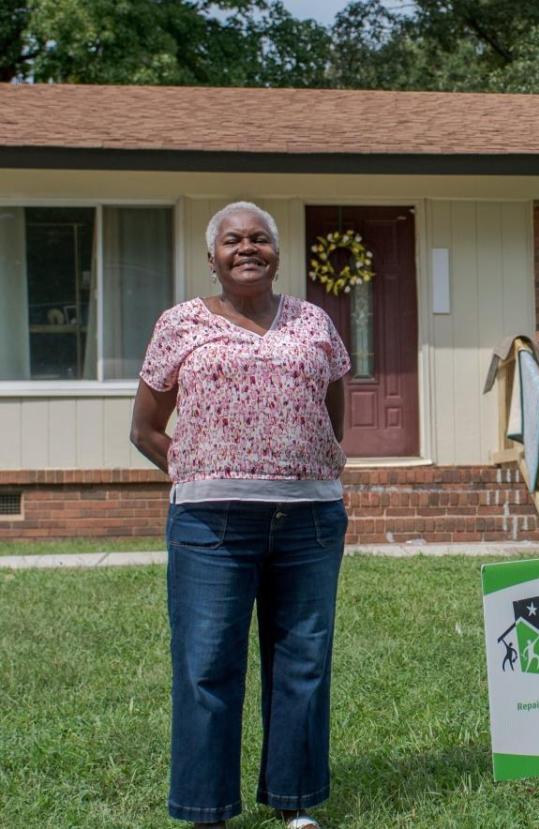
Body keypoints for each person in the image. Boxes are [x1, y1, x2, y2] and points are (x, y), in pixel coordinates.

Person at [130, 201, 351, 829]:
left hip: (307, 521)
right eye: (233, 240)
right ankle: (207, 811)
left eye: (260, 239)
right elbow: (145, 430)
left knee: (303, 662)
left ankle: (295, 803)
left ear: (277, 254)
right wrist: (201, 472)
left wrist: (315, 465)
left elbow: (333, 406)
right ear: (212, 257)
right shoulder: (180, 324)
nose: (247, 248)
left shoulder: (313, 321)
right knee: (207, 666)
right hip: (210, 526)